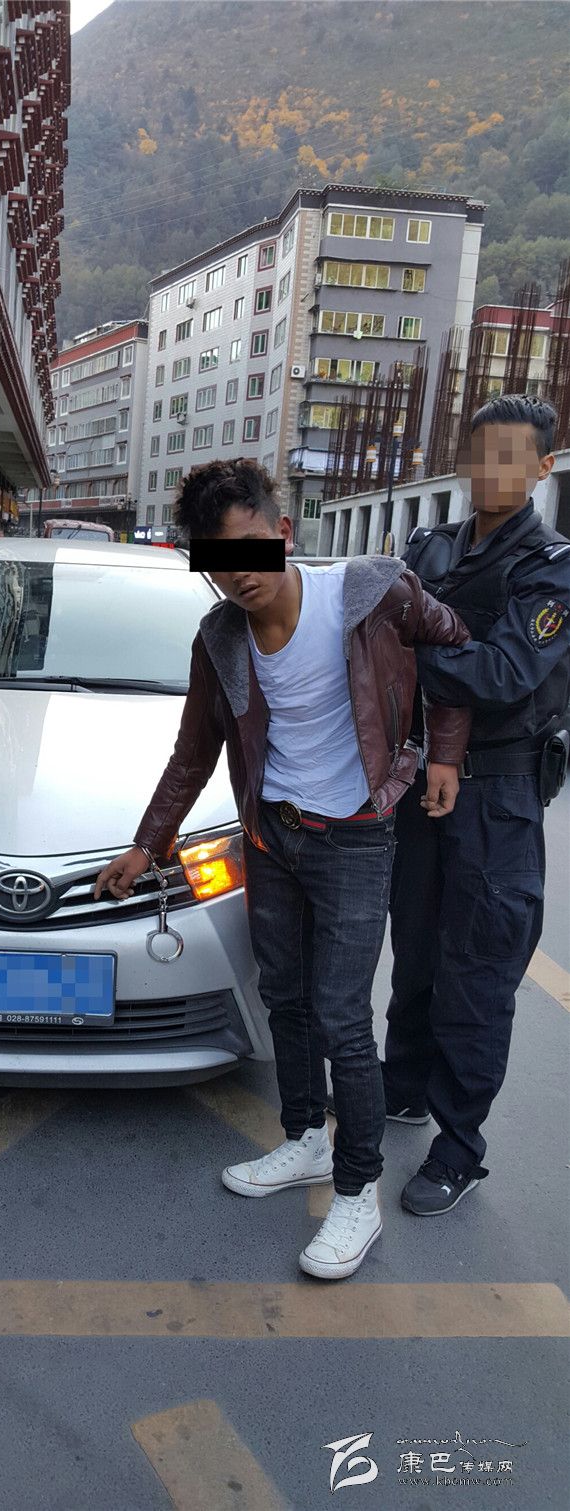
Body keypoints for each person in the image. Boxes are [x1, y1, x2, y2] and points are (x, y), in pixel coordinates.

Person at [94, 459, 471, 1280]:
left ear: (282, 531)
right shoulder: (220, 637)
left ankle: (358, 1190)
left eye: (248, 550)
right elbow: (193, 750)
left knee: (341, 1017)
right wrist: (147, 843)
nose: (237, 575)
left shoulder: (372, 593)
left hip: (357, 837)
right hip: (273, 839)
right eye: (217, 561)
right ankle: (304, 1138)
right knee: (286, 999)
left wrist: (444, 752)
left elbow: (453, 646)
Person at [382, 394, 570, 1217]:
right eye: (480, 452)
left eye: (511, 455)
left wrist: (404, 654)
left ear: (542, 466)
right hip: (425, 777)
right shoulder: (431, 545)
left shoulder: (551, 565)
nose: (491, 469)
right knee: (415, 946)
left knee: (479, 969)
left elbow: (503, 672)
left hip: (499, 792)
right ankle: (402, 1084)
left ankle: (459, 1145)